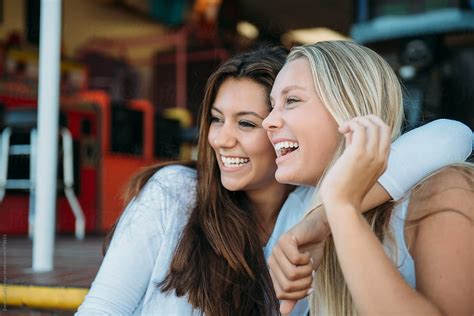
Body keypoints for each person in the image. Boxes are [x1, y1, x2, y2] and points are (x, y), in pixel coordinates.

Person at [76, 46, 471, 315]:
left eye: (248, 121)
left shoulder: (305, 207)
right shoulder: (182, 191)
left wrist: (330, 209)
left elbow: (451, 135)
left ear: (347, 107)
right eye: (215, 119)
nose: (221, 138)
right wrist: (327, 213)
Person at [264, 40, 473, 315]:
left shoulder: (440, 193)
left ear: (349, 108)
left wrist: (339, 205)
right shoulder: (295, 209)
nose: (268, 121)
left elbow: (453, 135)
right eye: (271, 105)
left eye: (291, 100)